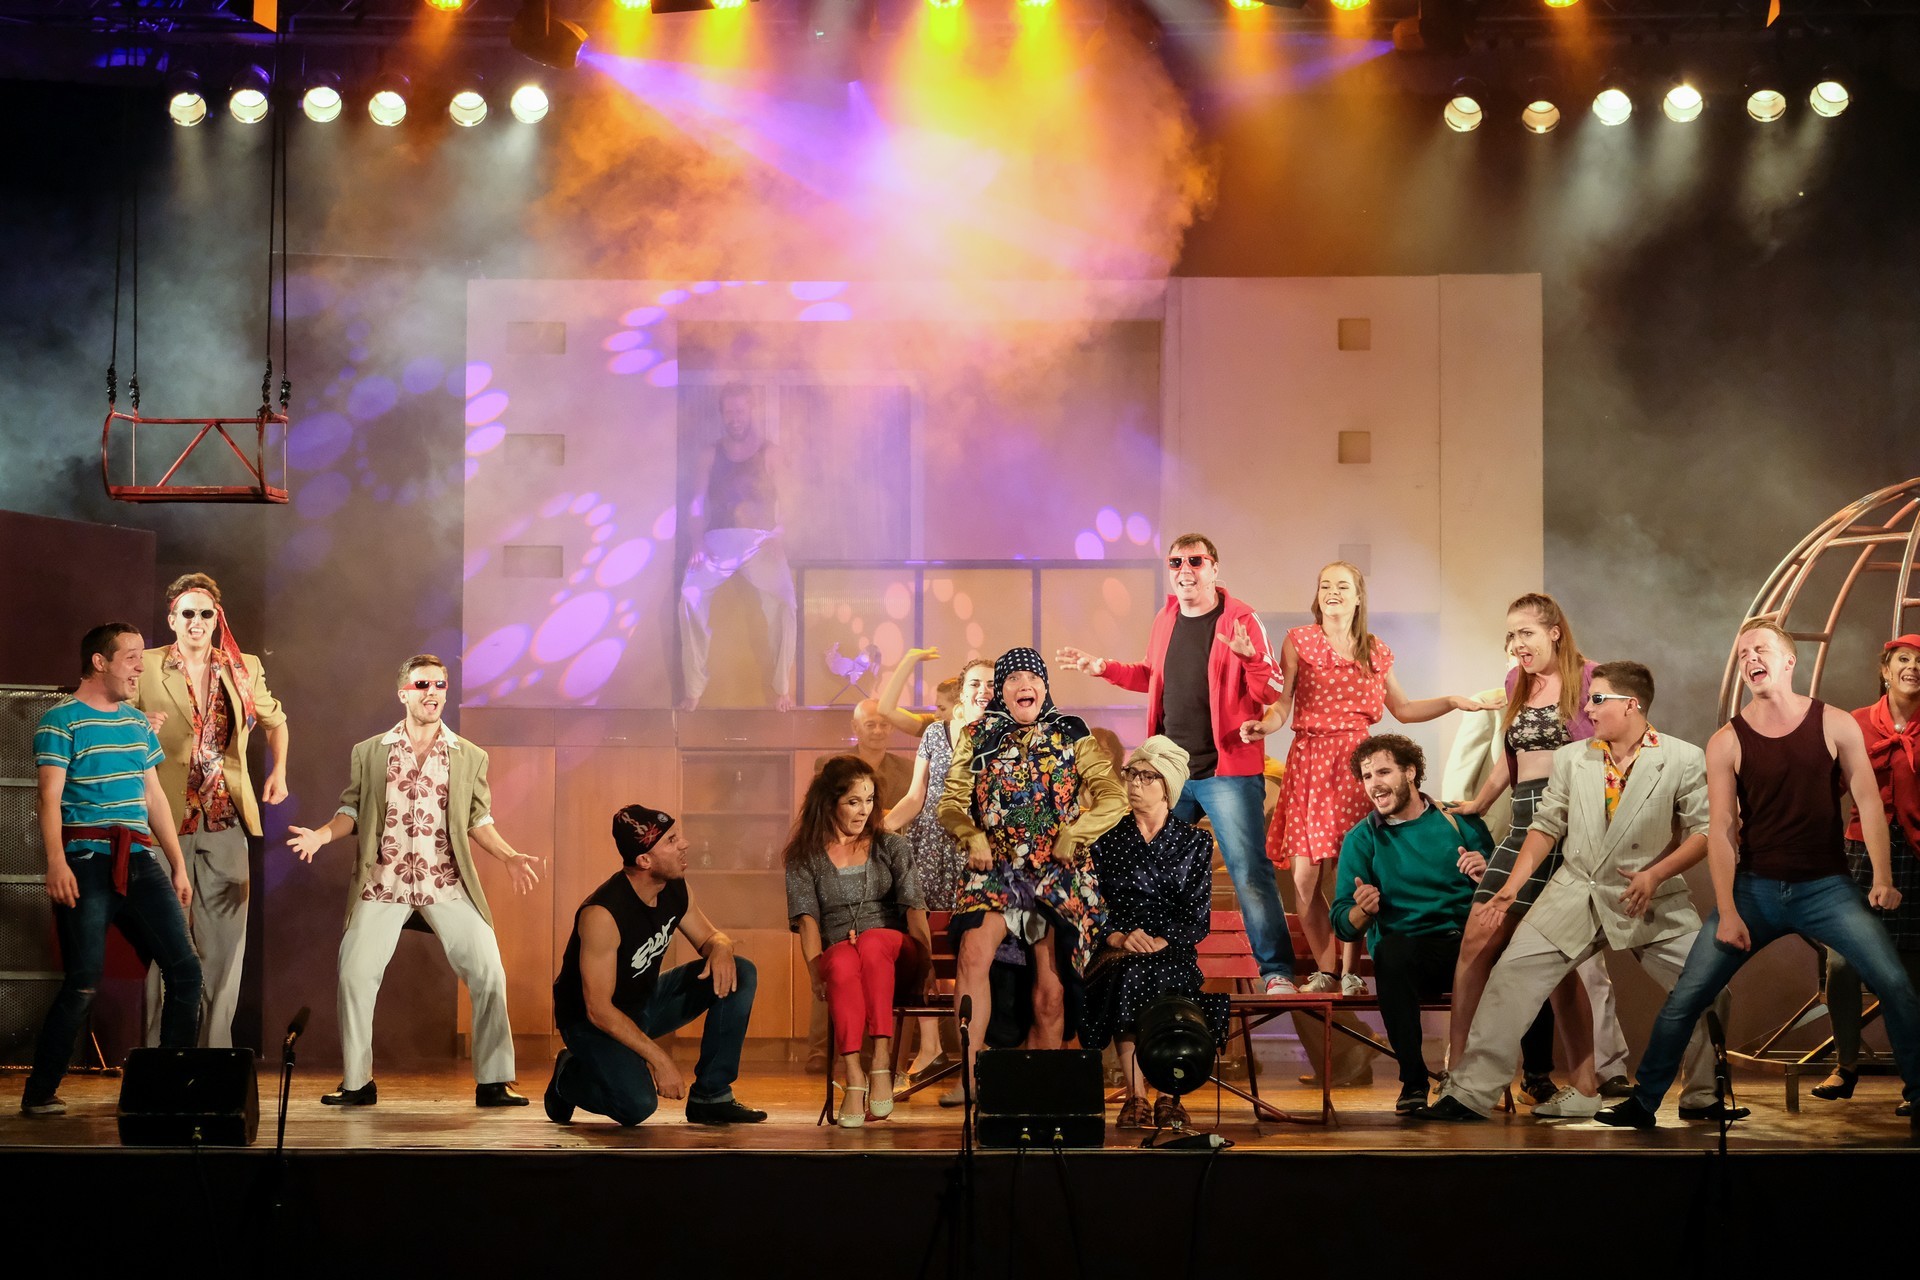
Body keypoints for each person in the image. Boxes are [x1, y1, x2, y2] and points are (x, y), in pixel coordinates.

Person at [1599, 620, 1920, 1129]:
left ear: (1789, 661)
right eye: (1744, 651)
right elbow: (1721, 829)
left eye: (1761, 649)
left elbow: (1867, 801)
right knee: (1688, 995)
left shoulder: (1835, 723)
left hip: (1827, 888)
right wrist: (1728, 910)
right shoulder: (1726, 741)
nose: (1751, 657)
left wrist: (1882, 877)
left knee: (1896, 984)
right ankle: (1644, 1103)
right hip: (1755, 890)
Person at [1419, 662, 1733, 1123]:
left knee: (1710, 985)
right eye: (1588, 699)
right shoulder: (1572, 758)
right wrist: (1511, 888)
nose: (1588, 708)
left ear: (1632, 705)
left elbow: (1703, 832)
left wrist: (1655, 875)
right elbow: (1546, 826)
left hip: (1646, 894)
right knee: (1512, 975)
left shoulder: (1682, 757)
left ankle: (1702, 1096)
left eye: (1598, 699)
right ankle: (1469, 1094)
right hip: (1576, 890)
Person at [286, 654, 542, 1107]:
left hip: (445, 881)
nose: (432, 693)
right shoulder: (370, 752)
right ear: (403, 692)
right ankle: (357, 1082)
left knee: (488, 972)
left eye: (440, 685)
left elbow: (478, 819)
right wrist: (321, 836)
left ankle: (494, 1080)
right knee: (355, 975)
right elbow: (351, 810)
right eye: (423, 684)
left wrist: (509, 856)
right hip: (383, 881)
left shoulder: (469, 756)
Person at [1057, 533, 1300, 995]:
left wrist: (1250, 659)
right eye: (1175, 563)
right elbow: (1151, 676)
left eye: (1195, 561)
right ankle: (1147, 968)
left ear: (1214, 568)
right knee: (1144, 867)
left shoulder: (1241, 618)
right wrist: (1103, 667)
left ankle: (1276, 973)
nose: (1185, 570)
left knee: (1249, 873)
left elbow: (1271, 691)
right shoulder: (1165, 617)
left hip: (1227, 771)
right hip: (1170, 774)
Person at [1247, 561, 1496, 995]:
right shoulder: (1300, 641)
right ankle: (1325, 969)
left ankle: (1349, 971)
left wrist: (1454, 701)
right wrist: (1264, 725)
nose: (1333, 592)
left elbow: (1404, 709)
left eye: (1342, 586)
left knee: (1354, 870)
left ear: (1359, 596)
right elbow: (1283, 703)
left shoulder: (1374, 650)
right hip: (1310, 761)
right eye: (1325, 585)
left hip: (1357, 766)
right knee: (1305, 878)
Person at [1440, 594, 1615, 1110]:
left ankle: (1586, 1084)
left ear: (1554, 631)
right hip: (1524, 820)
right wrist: (1479, 802)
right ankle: (1461, 1075)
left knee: (1560, 959)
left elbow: (1618, 746)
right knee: (1477, 939)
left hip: (1573, 821)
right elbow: (1514, 755)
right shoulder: (1517, 680)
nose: (1517, 644)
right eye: (1511, 635)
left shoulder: (1591, 677)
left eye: (1526, 633)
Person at [22, 625, 202, 1116]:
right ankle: (40, 1092)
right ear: (100, 662)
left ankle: (167, 1091)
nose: (140, 666)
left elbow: (154, 797)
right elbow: (48, 797)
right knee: (83, 980)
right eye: (131, 657)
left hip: (140, 858)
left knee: (186, 971)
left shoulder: (138, 724)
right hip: (86, 859)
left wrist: (178, 865)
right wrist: (56, 862)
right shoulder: (61, 721)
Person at [938, 648, 1125, 1085]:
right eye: (1014, 679)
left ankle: (1037, 1088)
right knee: (973, 954)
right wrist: (971, 835)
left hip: (1056, 871)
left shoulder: (1072, 733)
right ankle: (972, 1080)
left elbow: (1113, 798)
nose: (1025, 685)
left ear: (1045, 686)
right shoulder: (977, 734)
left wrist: (1075, 833)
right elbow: (950, 803)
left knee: (1051, 987)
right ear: (1001, 691)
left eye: (1033, 677)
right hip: (997, 868)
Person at [132, 572, 289, 1050]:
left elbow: (276, 720)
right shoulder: (147, 664)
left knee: (225, 941)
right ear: (172, 619)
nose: (196, 621)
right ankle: (162, 1050)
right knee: (167, 939)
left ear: (217, 618)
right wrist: (138, 723)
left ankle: (214, 1049)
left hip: (224, 816)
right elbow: (112, 716)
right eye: (187, 613)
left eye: (205, 613)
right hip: (165, 816)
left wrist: (279, 771)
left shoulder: (242, 667)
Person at [546, 805, 767, 1127]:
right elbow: (598, 1010)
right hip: (591, 1024)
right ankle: (567, 1075)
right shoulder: (603, 914)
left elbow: (709, 937)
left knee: (741, 972)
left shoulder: (675, 887)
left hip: (644, 1003)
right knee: (637, 1106)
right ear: (644, 860)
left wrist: (721, 947)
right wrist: (660, 1059)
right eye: (671, 841)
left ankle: (711, 1097)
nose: (685, 844)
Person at [1330, 734, 1493, 1113]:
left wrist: (1487, 873)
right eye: (1367, 776)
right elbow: (1343, 923)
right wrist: (1362, 910)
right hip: (1410, 957)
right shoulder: (1362, 838)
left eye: (1383, 772)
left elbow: (1503, 890)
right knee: (1391, 951)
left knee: (1523, 954)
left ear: (1410, 772)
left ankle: (1537, 1077)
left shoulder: (1459, 822)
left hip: (1466, 947)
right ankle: (1413, 1081)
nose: (1374, 784)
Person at [1082, 737, 1228, 1131]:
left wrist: (1163, 940)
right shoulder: (1106, 840)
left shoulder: (1195, 842)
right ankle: (1136, 1096)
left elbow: (1197, 916)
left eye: (1147, 777)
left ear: (1168, 787)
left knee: (1167, 974)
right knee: (1129, 973)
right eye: (1131, 774)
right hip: (1118, 948)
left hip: (1171, 946)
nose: (1135, 783)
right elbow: (1091, 904)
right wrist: (1117, 936)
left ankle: (1169, 1094)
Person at [785, 757, 932, 1127]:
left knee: (871, 942)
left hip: (897, 954)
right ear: (829, 803)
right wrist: (815, 973)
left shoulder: (892, 846)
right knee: (839, 961)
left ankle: (881, 1060)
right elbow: (807, 920)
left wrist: (927, 967)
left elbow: (915, 909)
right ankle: (853, 1074)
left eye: (869, 800)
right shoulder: (805, 857)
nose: (864, 810)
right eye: (854, 801)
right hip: (846, 952)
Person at [1811, 635, 1920, 1102]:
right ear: (1885, 670)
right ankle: (1845, 1066)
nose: (1913, 667)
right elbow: (1825, 786)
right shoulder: (1856, 722)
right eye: (1904, 659)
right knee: (1841, 962)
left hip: (1916, 857)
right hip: (1859, 854)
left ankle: (1916, 1084)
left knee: (1910, 970)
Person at [883, 657, 994, 1080]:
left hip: (974, 850)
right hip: (929, 845)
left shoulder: (1004, 736)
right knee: (922, 937)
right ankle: (929, 1043)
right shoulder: (935, 732)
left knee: (970, 945)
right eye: (975, 683)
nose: (983, 691)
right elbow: (915, 797)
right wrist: (875, 831)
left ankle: (979, 1049)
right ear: (963, 690)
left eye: (991, 684)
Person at [677, 383, 797, 712]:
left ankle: (782, 688)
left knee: (786, 601)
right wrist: (697, 541)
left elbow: (788, 499)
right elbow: (697, 502)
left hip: (759, 539)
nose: (735, 418)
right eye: (729, 412)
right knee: (689, 596)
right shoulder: (710, 453)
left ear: (751, 411)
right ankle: (694, 689)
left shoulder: (770, 452)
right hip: (717, 539)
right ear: (722, 414)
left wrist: (779, 532)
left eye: (740, 410)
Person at [874, 645, 961, 737]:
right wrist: (909, 661)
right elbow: (885, 710)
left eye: (942, 708)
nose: (936, 715)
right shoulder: (936, 728)